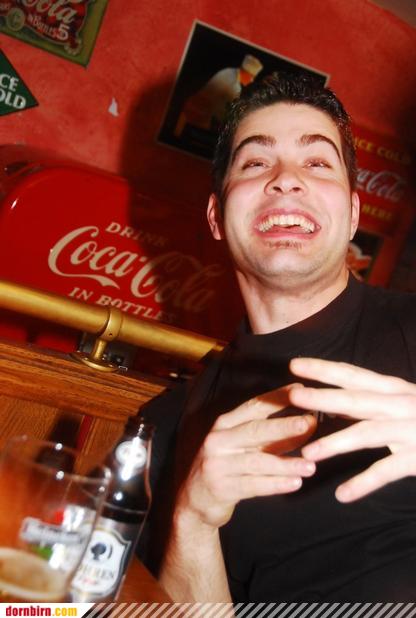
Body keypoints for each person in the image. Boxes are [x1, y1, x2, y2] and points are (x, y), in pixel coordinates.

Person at [140, 72, 416, 602]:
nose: (286, 180)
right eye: (255, 163)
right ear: (217, 216)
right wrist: (193, 521)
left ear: (353, 214)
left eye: (317, 163)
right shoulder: (169, 425)